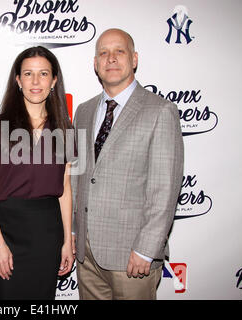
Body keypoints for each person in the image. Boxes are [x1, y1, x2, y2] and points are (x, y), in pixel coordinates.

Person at [71, 28, 184, 300]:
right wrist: (75, 231)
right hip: (87, 255)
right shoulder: (84, 111)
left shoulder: (159, 111)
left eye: (119, 51)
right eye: (103, 53)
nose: (111, 58)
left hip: (133, 257)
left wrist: (147, 249)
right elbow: (79, 175)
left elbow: (165, 190)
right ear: (95, 64)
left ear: (134, 59)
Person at [0, 46, 75, 300]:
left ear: (54, 80)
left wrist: (67, 240)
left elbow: (64, 190)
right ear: (18, 80)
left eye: (43, 74)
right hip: (6, 230)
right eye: (28, 74)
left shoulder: (65, 129)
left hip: (47, 233)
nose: (35, 81)